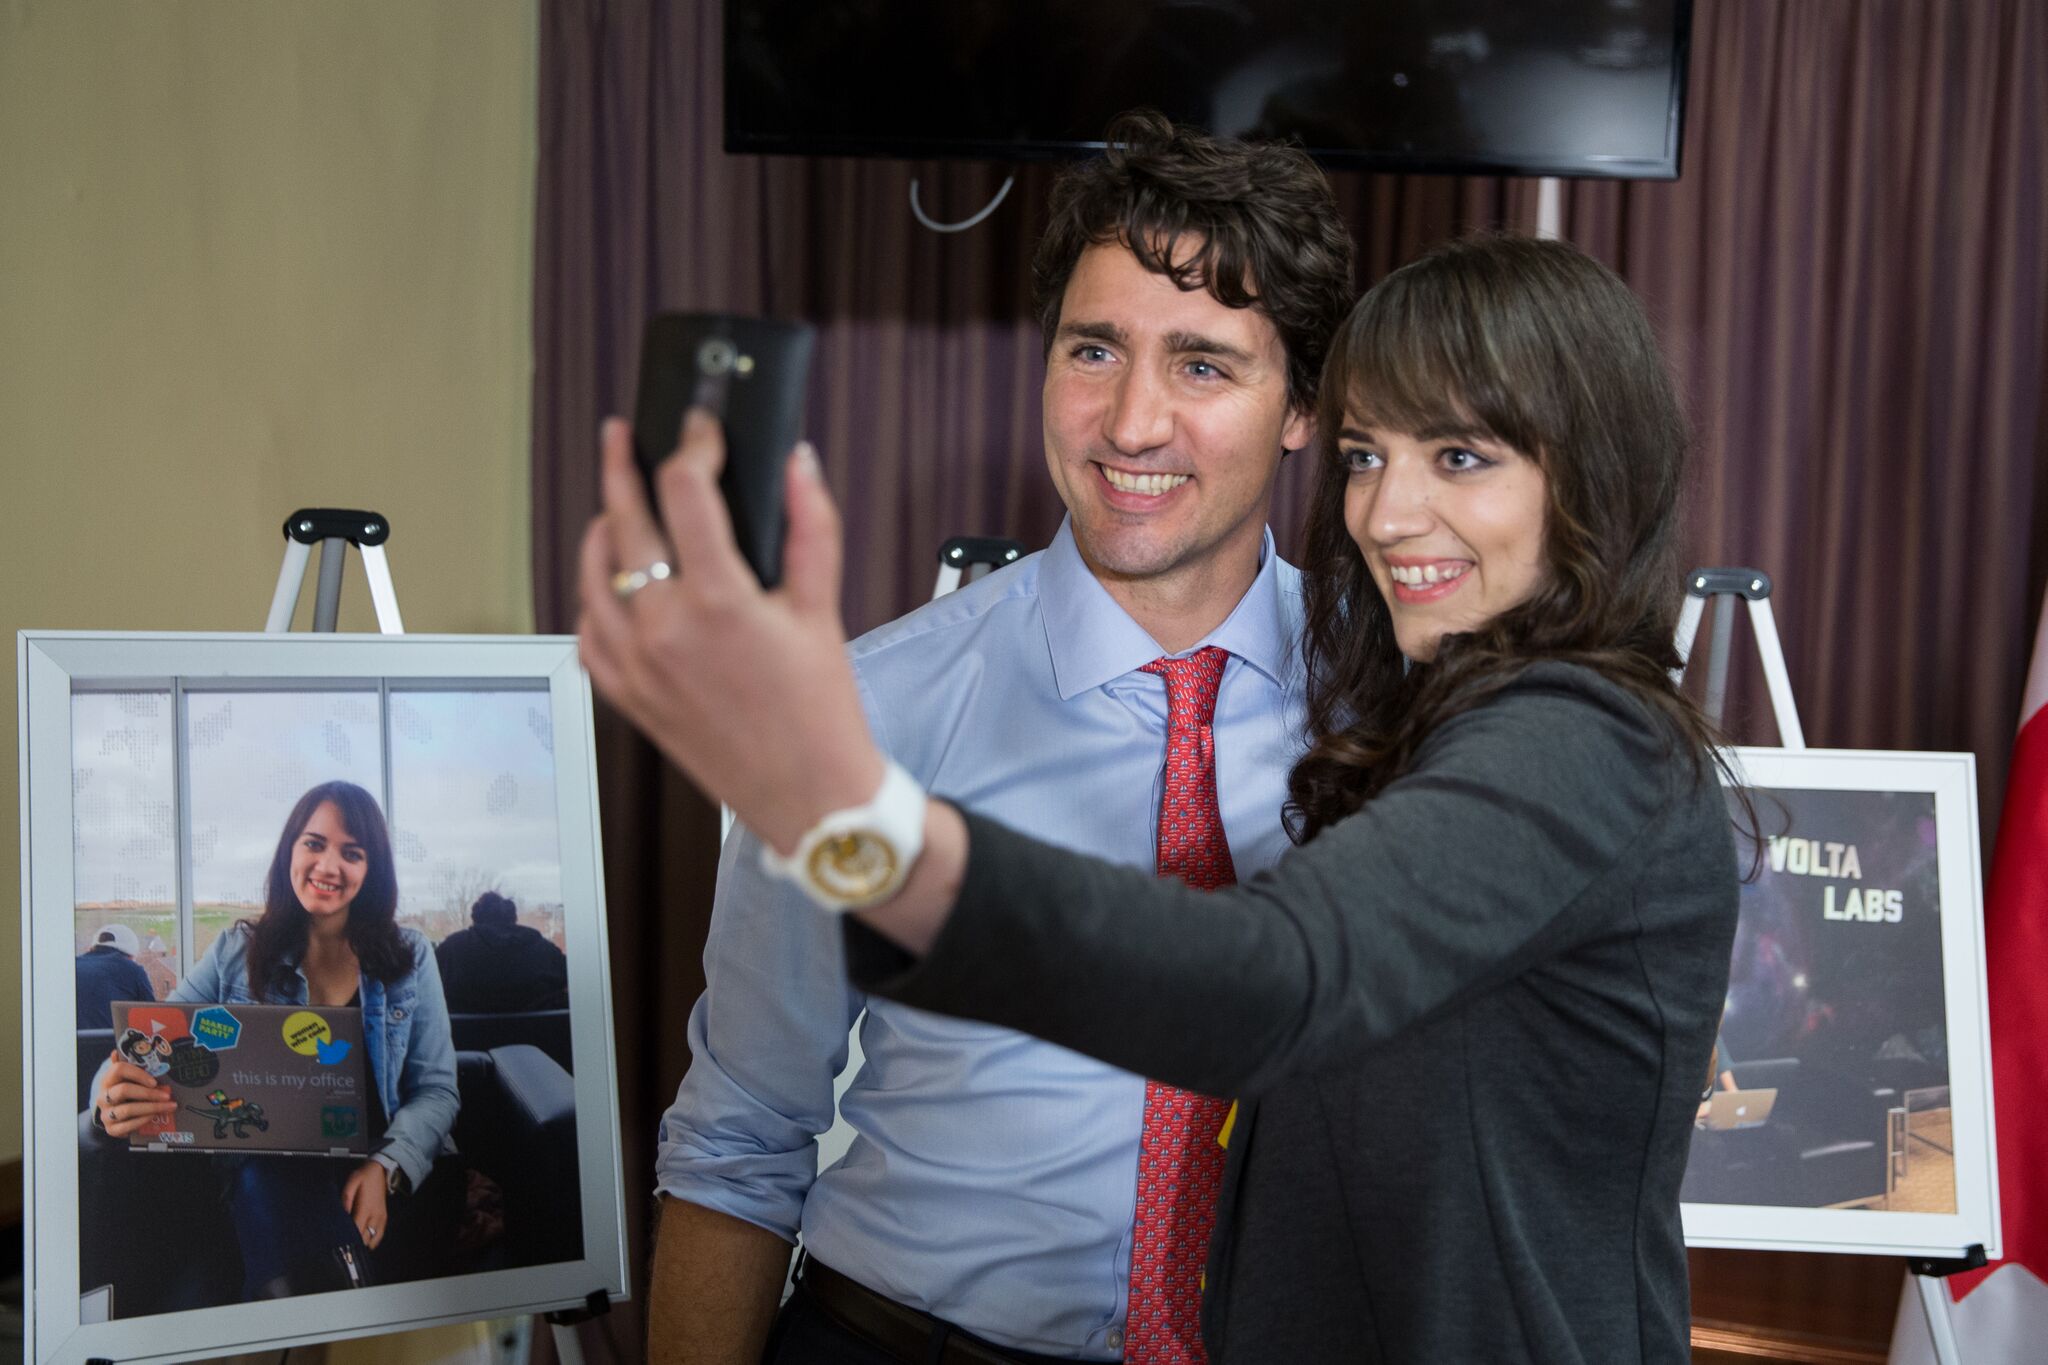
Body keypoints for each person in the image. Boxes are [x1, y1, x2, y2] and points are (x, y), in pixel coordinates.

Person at [579, 232, 1745, 1362]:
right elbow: (738, 1133)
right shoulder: (1429, 705)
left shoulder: (1568, 736)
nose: (1386, 514)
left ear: (1590, 471)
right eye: (1366, 456)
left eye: (1459, 457)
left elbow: (1267, 981)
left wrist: (852, 821)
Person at [644, 110, 1354, 1365]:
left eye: (1201, 365)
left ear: (1302, 404)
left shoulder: (1388, 711)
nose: (1129, 423)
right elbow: (739, 1135)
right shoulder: (866, 714)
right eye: (1094, 350)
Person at [88, 780, 460, 1299]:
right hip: (261, 1176)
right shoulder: (234, 952)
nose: (329, 866)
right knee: (268, 1179)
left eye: (352, 853)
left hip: (376, 1171)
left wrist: (387, 1167)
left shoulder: (410, 956)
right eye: (314, 844)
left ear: (371, 869)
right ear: (290, 850)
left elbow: (437, 1090)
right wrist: (107, 1097)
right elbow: (142, 1046)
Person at [435, 890, 569, 1013]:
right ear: (513, 918)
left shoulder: (451, 950)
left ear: (475, 917)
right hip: (541, 1031)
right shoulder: (543, 949)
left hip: (465, 1031)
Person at [75, 923, 156, 1029]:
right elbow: (152, 1017)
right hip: (112, 1039)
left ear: (92, 948)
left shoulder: (72, 966)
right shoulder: (133, 970)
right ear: (130, 956)